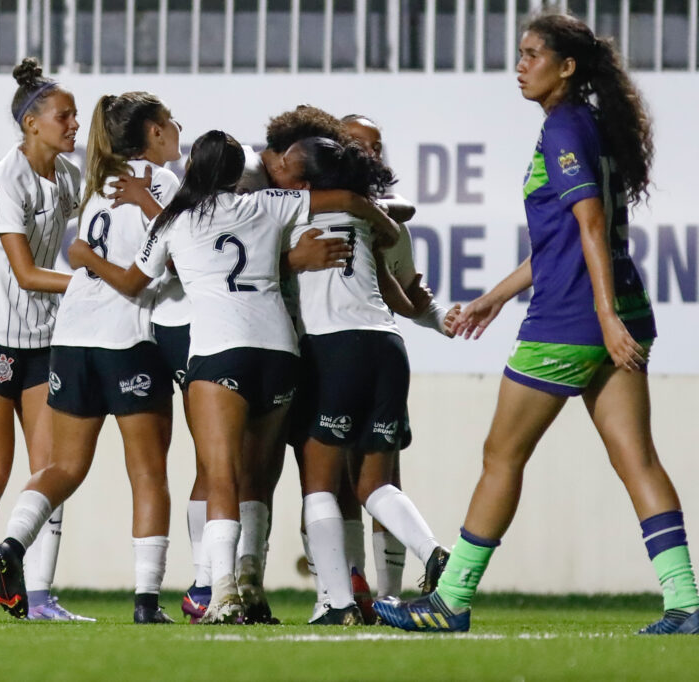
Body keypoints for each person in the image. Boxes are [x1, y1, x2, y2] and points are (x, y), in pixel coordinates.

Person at [374, 11, 699, 635]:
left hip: (573, 322)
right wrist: (496, 298)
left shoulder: (564, 127)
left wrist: (600, 317)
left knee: (502, 455)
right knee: (639, 462)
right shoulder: (593, 125)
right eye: (519, 55)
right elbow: (562, 243)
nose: (519, 66)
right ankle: (685, 604)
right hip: (621, 312)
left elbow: (590, 227)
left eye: (531, 55)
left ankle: (451, 600)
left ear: (566, 67)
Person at [67, 130, 400, 623]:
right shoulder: (268, 202)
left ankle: (219, 590)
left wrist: (86, 258)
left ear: (192, 171)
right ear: (237, 174)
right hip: (278, 355)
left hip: (218, 355)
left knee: (220, 475)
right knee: (259, 478)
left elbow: (134, 282)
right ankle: (252, 582)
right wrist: (385, 222)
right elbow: (345, 199)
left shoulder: (174, 221)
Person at [0, 91, 184, 624]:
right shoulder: (162, 185)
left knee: (64, 467)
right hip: (129, 340)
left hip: (73, 336)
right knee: (148, 475)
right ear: (153, 134)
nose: (177, 127)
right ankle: (147, 602)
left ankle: (10, 545)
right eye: (169, 121)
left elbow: (86, 254)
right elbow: (187, 251)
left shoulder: (95, 186)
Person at [274, 137, 451, 624]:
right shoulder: (362, 218)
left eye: (285, 164)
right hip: (387, 347)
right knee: (374, 483)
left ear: (306, 184)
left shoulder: (288, 215)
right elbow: (402, 297)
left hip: (335, 348)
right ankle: (435, 554)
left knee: (320, 485)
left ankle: (336, 603)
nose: (275, 168)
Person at [0, 58, 90, 622]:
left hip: (43, 336)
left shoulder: (71, 177)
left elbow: (85, 242)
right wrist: (94, 284)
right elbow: (27, 273)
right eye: (64, 115)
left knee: (51, 469)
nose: (74, 124)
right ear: (32, 123)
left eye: (76, 115)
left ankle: (39, 596)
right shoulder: (4, 180)